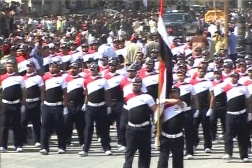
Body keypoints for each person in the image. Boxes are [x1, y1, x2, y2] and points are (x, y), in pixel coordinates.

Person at [79, 62, 112, 156]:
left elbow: (107, 94)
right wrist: (85, 104)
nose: (92, 71)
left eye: (94, 69)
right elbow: (86, 93)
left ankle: (106, 148)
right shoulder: (86, 80)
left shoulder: (103, 80)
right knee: (88, 128)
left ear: (98, 70)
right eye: (91, 69)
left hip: (101, 106)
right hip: (90, 107)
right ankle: (85, 149)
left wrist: (108, 106)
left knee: (103, 128)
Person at [123, 77, 156, 168]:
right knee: (129, 152)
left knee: (144, 152)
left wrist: (155, 124)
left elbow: (155, 110)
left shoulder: (147, 97)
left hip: (144, 128)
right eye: (133, 84)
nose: (135, 86)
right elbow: (126, 112)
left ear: (141, 86)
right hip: (131, 128)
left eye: (137, 85)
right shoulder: (127, 97)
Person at [40, 60, 67, 155]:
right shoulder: (45, 77)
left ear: (58, 68)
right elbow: (43, 91)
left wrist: (65, 106)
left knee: (60, 127)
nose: (52, 68)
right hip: (47, 106)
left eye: (54, 67)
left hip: (58, 106)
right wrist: (42, 102)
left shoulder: (62, 78)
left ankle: (61, 147)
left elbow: (65, 93)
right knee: (45, 127)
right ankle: (44, 148)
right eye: (50, 67)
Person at [222, 72, 251, 162]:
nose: (233, 78)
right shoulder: (225, 87)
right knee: (228, 135)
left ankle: (244, 155)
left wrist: (250, 113)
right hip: (230, 114)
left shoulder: (243, 87)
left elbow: (249, 100)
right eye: (232, 77)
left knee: (243, 135)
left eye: (235, 77)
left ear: (238, 78)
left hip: (242, 114)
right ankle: (228, 153)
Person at [157, 86, 186, 168]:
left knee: (178, 161)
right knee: (163, 160)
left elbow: (177, 101)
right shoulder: (163, 106)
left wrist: (163, 100)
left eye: (175, 92)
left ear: (179, 94)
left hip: (178, 137)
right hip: (165, 137)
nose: (173, 94)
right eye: (171, 92)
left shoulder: (182, 104)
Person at [0, 59, 26, 152]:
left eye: (11, 66)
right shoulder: (2, 77)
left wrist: (23, 103)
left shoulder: (20, 78)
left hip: (16, 104)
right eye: (8, 66)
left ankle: (18, 145)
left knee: (17, 125)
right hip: (5, 104)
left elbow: (24, 91)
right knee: (4, 125)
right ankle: (3, 146)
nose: (9, 68)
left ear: (15, 67)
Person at [21, 61, 44, 147]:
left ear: (33, 67)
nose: (29, 68)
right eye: (27, 66)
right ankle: (23, 140)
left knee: (36, 122)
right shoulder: (22, 78)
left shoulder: (38, 77)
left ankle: (38, 140)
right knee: (23, 121)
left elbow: (42, 90)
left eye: (30, 66)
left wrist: (42, 101)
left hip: (35, 102)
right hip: (26, 102)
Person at [64, 61, 85, 147]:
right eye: (71, 68)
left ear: (79, 69)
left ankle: (82, 142)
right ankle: (67, 141)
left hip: (79, 104)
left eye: (75, 68)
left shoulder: (82, 79)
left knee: (80, 124)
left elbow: (85, 92)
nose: (73, 70)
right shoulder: (65, 79)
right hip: (69, 104)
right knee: (67, 123)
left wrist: (85, 103)